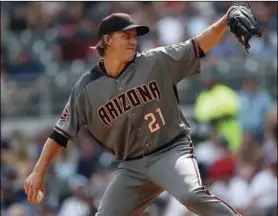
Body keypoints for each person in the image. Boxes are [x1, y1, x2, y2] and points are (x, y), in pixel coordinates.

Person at [25, 11, 242, 216]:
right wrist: (38, 171)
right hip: (132, 166)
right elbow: (60, 134)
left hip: (170, 151)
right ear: (107, 40)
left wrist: (224, 21)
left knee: (191, 194)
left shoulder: (154, 61)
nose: (133, 40)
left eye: (134, 36)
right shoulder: (86, 88)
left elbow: (196, 46)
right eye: (125, 35)